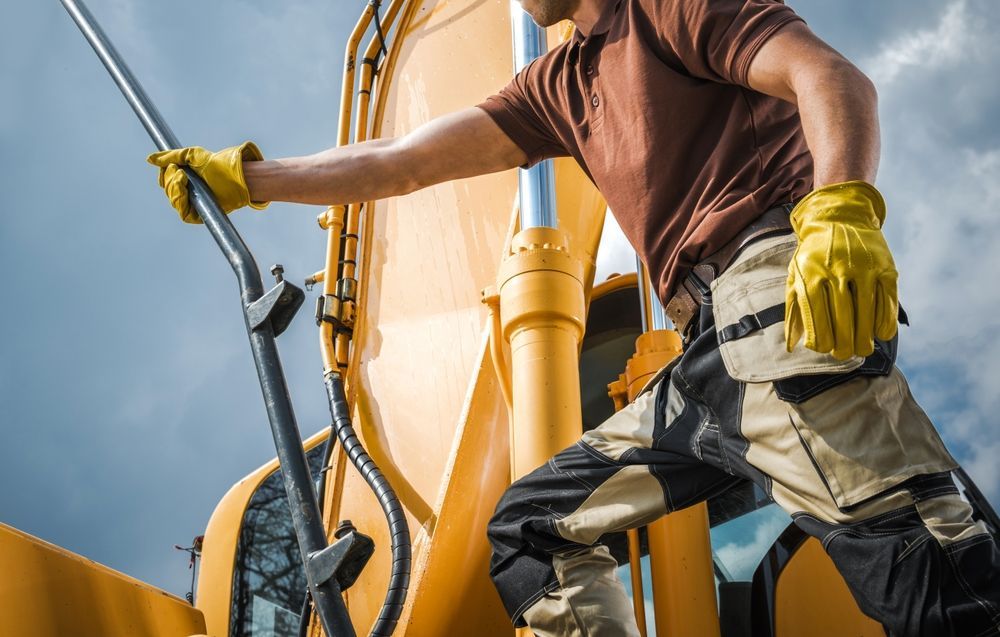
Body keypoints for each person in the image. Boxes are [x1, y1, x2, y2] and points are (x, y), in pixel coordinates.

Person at [148, 0, 1000, 634]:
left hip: (775, 303)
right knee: (530, 529)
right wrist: (249, 181)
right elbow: (399, 162)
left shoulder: (669, 8)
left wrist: (843, 204)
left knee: (934, 582)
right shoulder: (556, 85)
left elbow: (830, 75)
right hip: (706, 361)